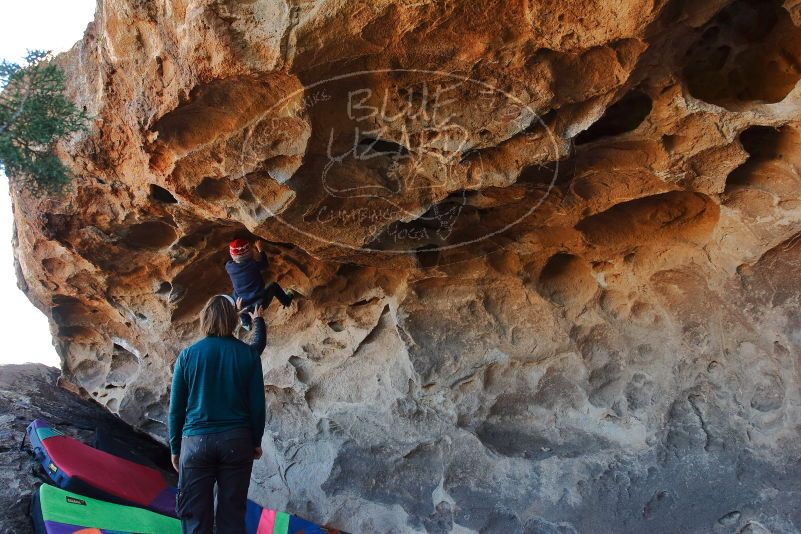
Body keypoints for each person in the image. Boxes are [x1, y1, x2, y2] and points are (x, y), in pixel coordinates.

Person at [168, 295, 266, 534]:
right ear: (233, 320)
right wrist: (255, 441)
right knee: (232, 515)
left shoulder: (188, 356)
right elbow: (257, 405)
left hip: (196, 443)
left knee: (194, 516)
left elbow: (176, 408)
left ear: (204, 320)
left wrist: (174, 447)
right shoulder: (248, 355)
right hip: (237, 441)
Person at [225, 238, 297, 330]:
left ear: (232, 256)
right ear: (248, 253)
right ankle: (286, 301)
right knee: (274, 286)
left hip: (242, 306)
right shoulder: (252, 264)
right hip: (259, 305)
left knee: (236, 294)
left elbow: (234, 260)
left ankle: (246, 322)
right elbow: (265, 264)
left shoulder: (229, 266)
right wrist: (260, 250)